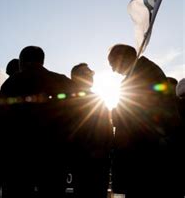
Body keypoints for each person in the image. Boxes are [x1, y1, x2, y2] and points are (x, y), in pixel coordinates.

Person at [0, 46, 75, 198]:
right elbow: (79, 115)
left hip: (20, 157)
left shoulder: (12, 83)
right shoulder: (62, 81)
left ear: (22, 62)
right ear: (42, 60)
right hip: (55, 155)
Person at [108, 44, 181, 198]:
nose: (114, 70)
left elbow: (133, 113)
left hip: (145, 154)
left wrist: (114, 114)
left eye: (113, 64)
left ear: (122, 58)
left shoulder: (140, 75)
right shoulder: (145, 71)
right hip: (148, 149)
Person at [68, 63, 113, 198]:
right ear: (76, 77)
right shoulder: (69, 99)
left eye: (91, 73)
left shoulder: (97, 98)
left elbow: (106, 127)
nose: (91, 76)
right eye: (87, 73)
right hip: (83, 159)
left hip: (99, 158)